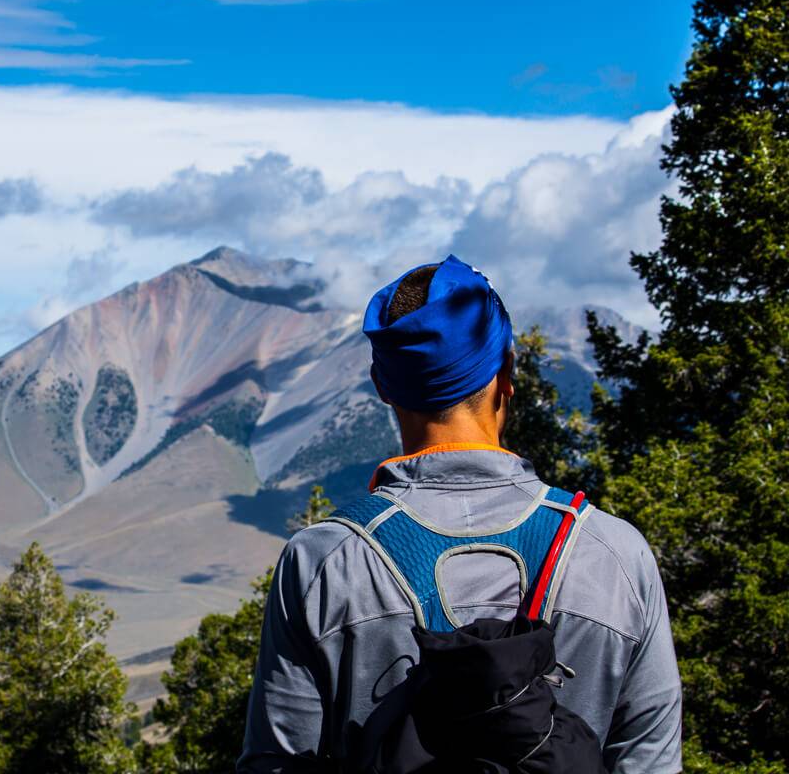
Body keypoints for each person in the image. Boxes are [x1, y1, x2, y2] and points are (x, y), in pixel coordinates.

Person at [238, 256, 682, 773]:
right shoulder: (615, 554)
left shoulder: (324, 562)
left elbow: (276, 764)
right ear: (508, 374)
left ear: (383, 386)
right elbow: (651, 762)